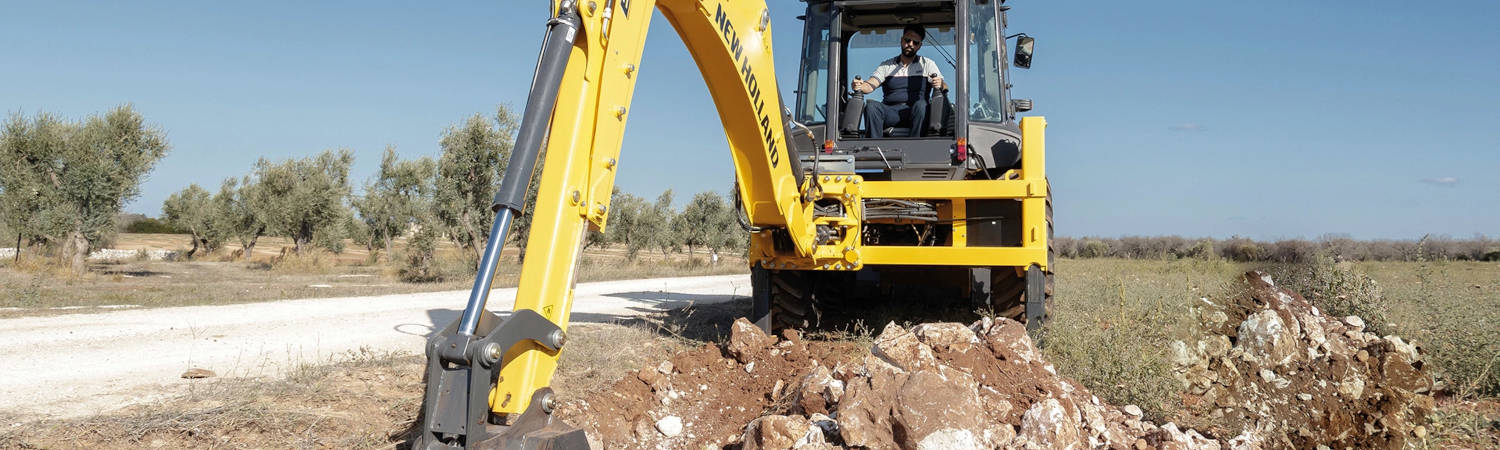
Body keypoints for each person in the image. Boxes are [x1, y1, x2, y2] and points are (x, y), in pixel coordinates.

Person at [851, 24, 947, 138]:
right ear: (902, 40)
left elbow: (944, 86)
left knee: (922, 105)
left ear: (919, 46)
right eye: (907, 40)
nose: (910, 44)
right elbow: (870, 85)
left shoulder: (927, 64)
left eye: (915, 43)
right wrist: (860, 85)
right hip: (891, 112)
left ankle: (916, 144)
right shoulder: (887, 65)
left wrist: (940, 83)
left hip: (916, 112)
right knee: (871, 106)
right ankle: (874, 146)